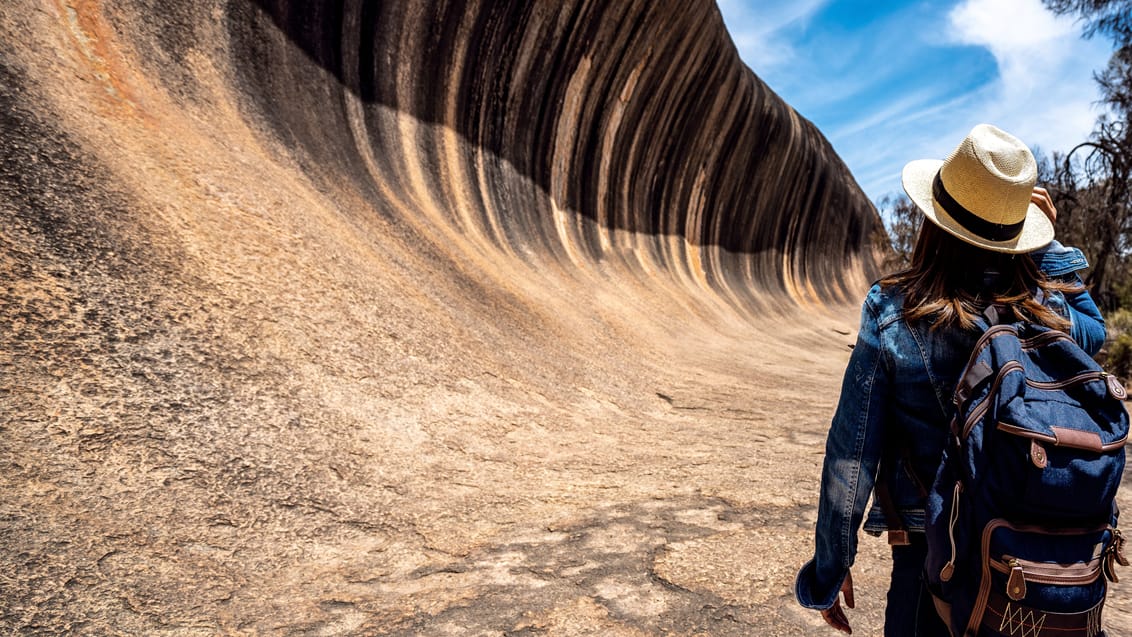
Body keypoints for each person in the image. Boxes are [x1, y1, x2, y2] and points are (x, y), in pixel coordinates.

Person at [793, 123, 1106, 635]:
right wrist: (1052, 249)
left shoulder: (896, 310)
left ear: (934, 221)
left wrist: (828, 570)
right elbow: (1096, 330)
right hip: (1038, 568)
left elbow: (852, 455)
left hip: (930, 561)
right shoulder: (1044, 308)